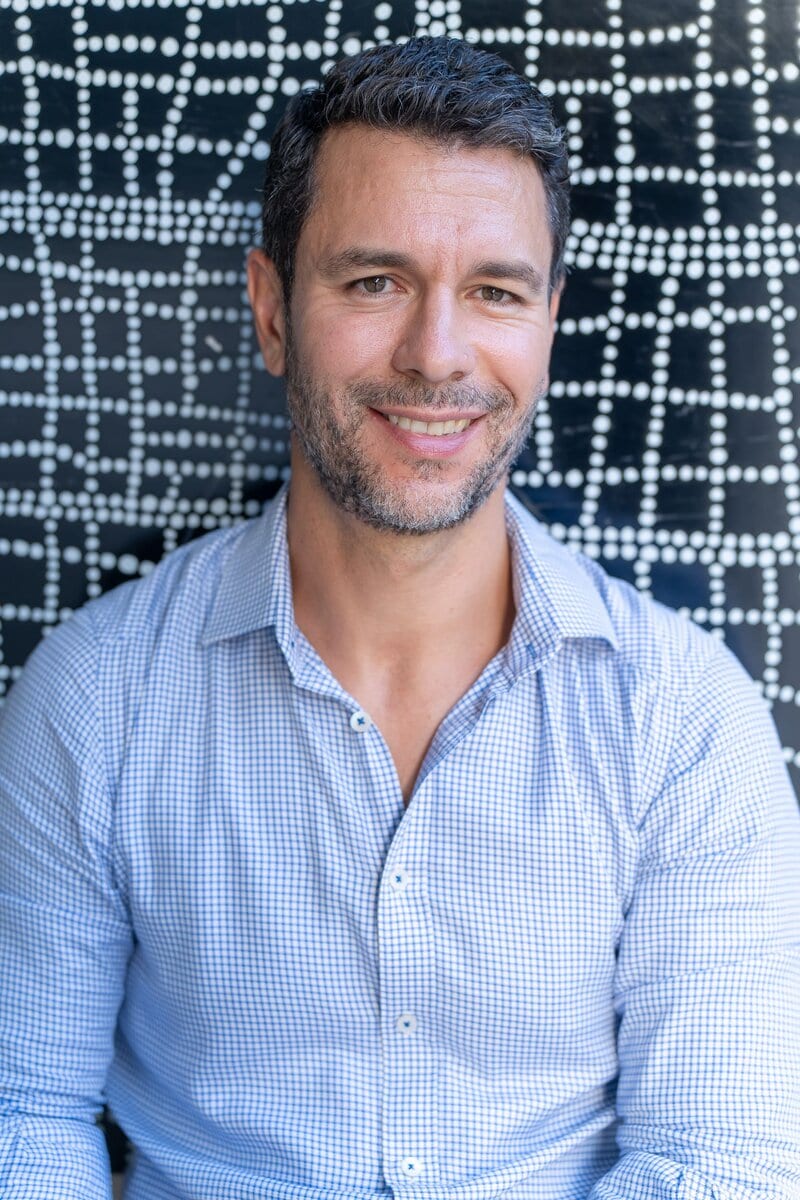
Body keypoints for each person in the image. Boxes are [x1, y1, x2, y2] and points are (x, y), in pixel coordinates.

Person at [0, 35, 798, 1200]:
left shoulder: (681, 721)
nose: (436, 355)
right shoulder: (97, 695)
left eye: (492, 292)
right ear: (272, 309)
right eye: (372, 281)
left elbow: (720, 1160)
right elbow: (25, 1114)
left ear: (545, 320)